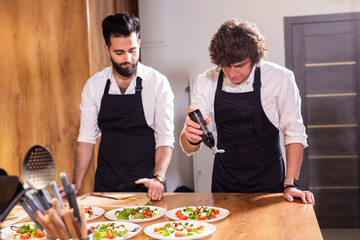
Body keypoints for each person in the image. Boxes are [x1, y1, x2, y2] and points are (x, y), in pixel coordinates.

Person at [180, 19, 315, 205]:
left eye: (239, 65)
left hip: (270, 183)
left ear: (255, 58)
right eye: (225, 66)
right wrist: (190, 138)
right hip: (224, 184)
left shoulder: (280, 78)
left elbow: (294, 135)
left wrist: (291, 184)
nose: (232, 73)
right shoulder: (206, 81)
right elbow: (188, 148)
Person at [68, 12, 174, 200]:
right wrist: (75, 186)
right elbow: (86, 139)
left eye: (132, 50)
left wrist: (159, 178)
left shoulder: (157, 83)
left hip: (148, 186)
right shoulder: (94, 85)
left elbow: (165, 138)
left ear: (139, 44)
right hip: (106, 188)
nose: (128, 58)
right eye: (119, 52)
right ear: (107, 49)